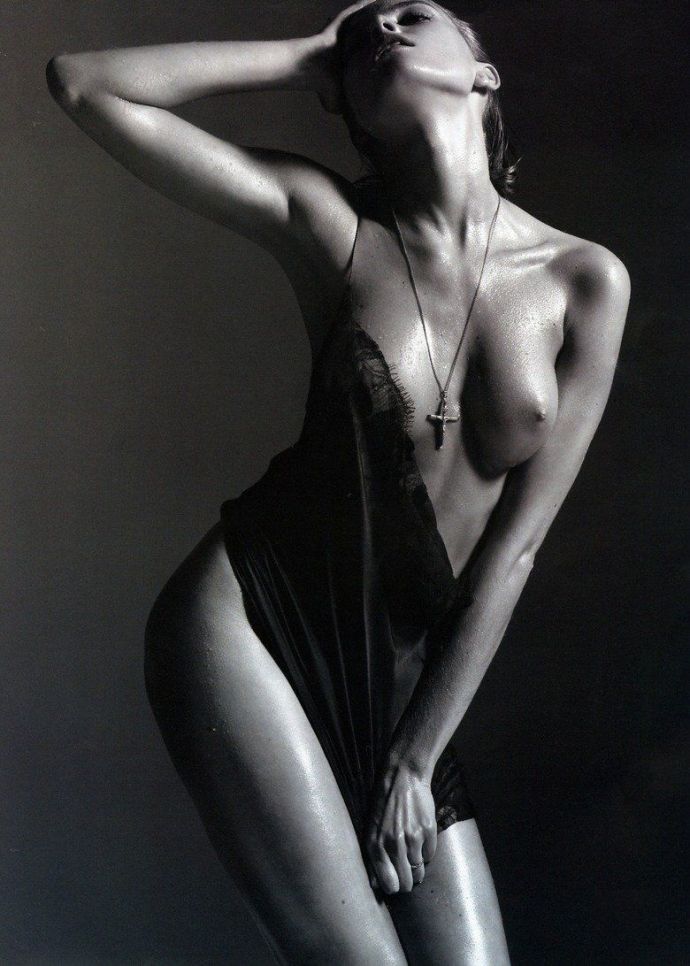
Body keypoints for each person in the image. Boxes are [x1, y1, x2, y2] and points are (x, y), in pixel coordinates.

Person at [46, 1, 630, 962]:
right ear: (343, 101)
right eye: (363, 34)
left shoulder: (586, 282)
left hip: (407, 678)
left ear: (483, 74)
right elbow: (83, 84)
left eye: (413, 14)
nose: (383, 26)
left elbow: (515, 549)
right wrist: (304, 56)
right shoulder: (330, 221)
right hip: (251, 626)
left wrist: (416, 756)